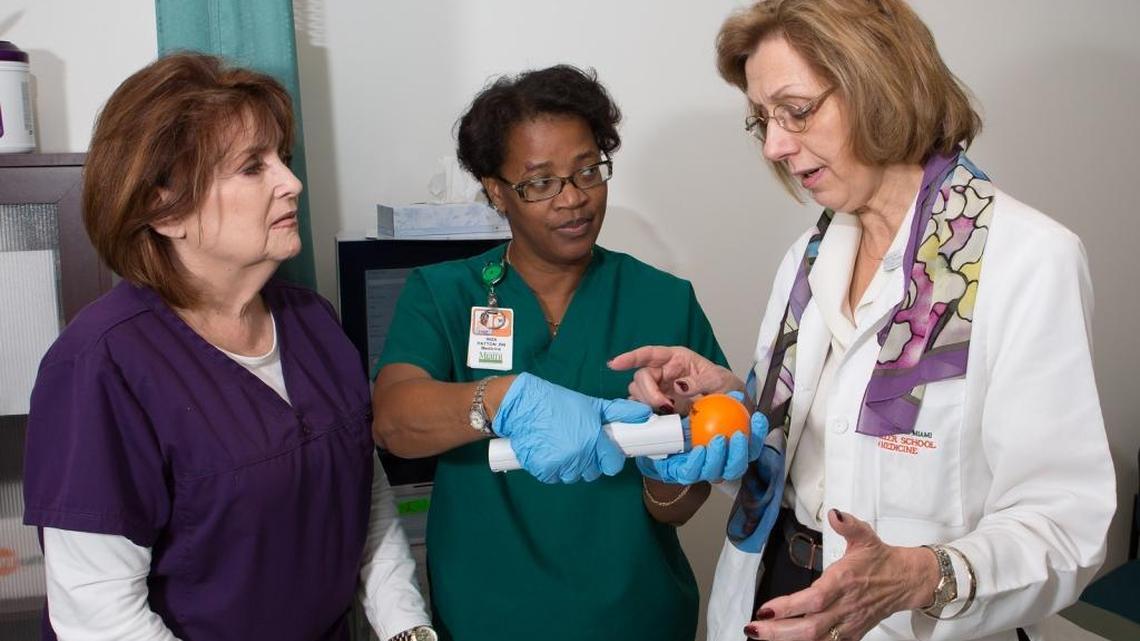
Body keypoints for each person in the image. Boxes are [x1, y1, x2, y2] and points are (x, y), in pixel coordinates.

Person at [610, 1, 1116, 640]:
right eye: (762, 120)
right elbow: (813, 452)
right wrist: (729, 403)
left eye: (797, 111)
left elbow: (1064, 525)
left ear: (878, 83)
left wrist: (919, 576)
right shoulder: (810, 257)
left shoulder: (1027, 258)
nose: (774, 145)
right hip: (772, 598)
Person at [22, 53, 434, 641]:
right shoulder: (100, 366)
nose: (291, 183)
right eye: (251, 167)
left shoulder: (313, 323)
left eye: (282, 161)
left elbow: (365, 502)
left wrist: (408, 631)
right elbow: (101, 617)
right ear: (164, 209)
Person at [370, 65, 749, 641]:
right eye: (540, 182)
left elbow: (675, 507)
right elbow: (394, 423)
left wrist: (673, 466)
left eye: (588, 171)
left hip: (634, 617)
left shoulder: (663, 300)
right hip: (485, 617)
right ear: (496, 191)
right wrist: (502, 399)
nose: (574, 199)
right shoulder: (444, 293)